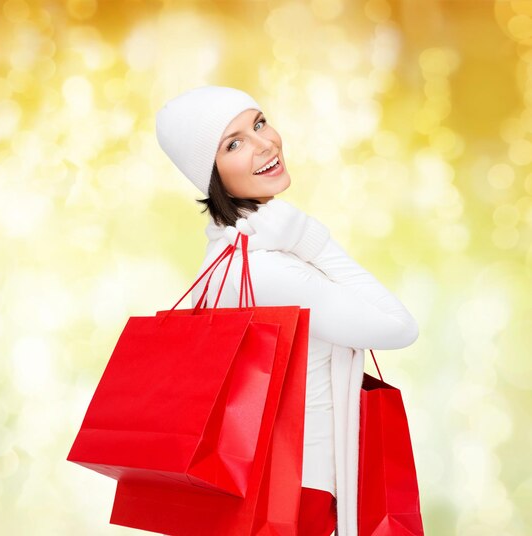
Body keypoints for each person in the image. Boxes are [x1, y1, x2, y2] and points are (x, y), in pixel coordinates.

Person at [155, 85, 420, 536]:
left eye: (259, 123)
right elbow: (399, 326)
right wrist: (312, 239)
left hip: (266, 486)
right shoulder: (265, 268)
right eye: (233, 143)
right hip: (298, 491)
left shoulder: (226, 255)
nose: (264, 144)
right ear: (209, 173)